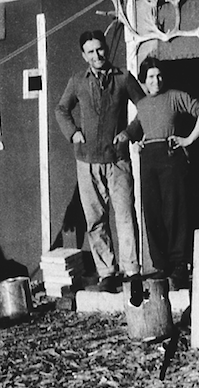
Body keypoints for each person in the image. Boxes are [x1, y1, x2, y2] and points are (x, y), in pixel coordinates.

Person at [55, 30, 145, 292]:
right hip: (87, 161)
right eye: (91, 52)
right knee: (95, 219)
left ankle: (132, 272)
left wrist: (129, 133)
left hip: (118, 160)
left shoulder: (124, 78)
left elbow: (146, 107)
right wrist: (73, 133)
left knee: (125, 215)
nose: (97, 55)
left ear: (107, 49)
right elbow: (61, 109)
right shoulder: (77, 82)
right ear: (84, 55)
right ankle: (108, 273)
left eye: (100, 49)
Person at [115, 57, 199, 290]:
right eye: (150, 77)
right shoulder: (143, 104)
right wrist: (129, 139)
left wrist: (187, 139)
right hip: (148, 160)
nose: (156, 80)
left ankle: (179, 265)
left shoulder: (175, 96)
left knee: (174, 211)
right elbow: (137, 127)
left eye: (159, 76)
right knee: (152, 211)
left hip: (171, 158)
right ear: (143, 81)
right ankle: (161, 265)